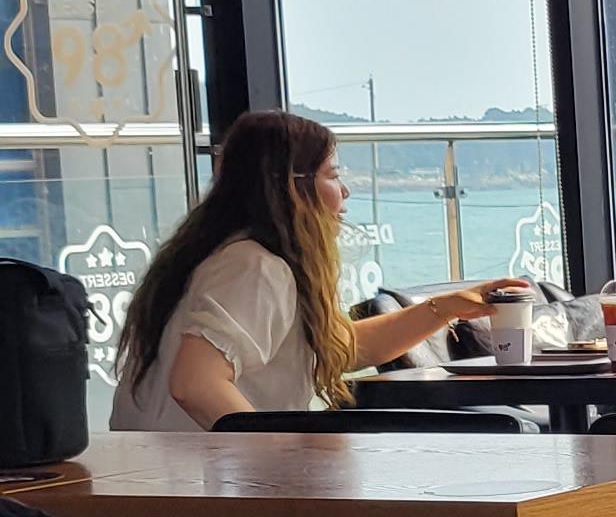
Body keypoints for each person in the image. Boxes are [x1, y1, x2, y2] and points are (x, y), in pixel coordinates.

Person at [111, 110, 516, 431]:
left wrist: (445, 308)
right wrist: (277, 465)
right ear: (291, 187)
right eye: (333, 175)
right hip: (198, 488)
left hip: (162, 480)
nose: (345, 191)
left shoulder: (221, 256)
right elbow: (195, 383)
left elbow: (342, 346)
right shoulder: (254, 267)